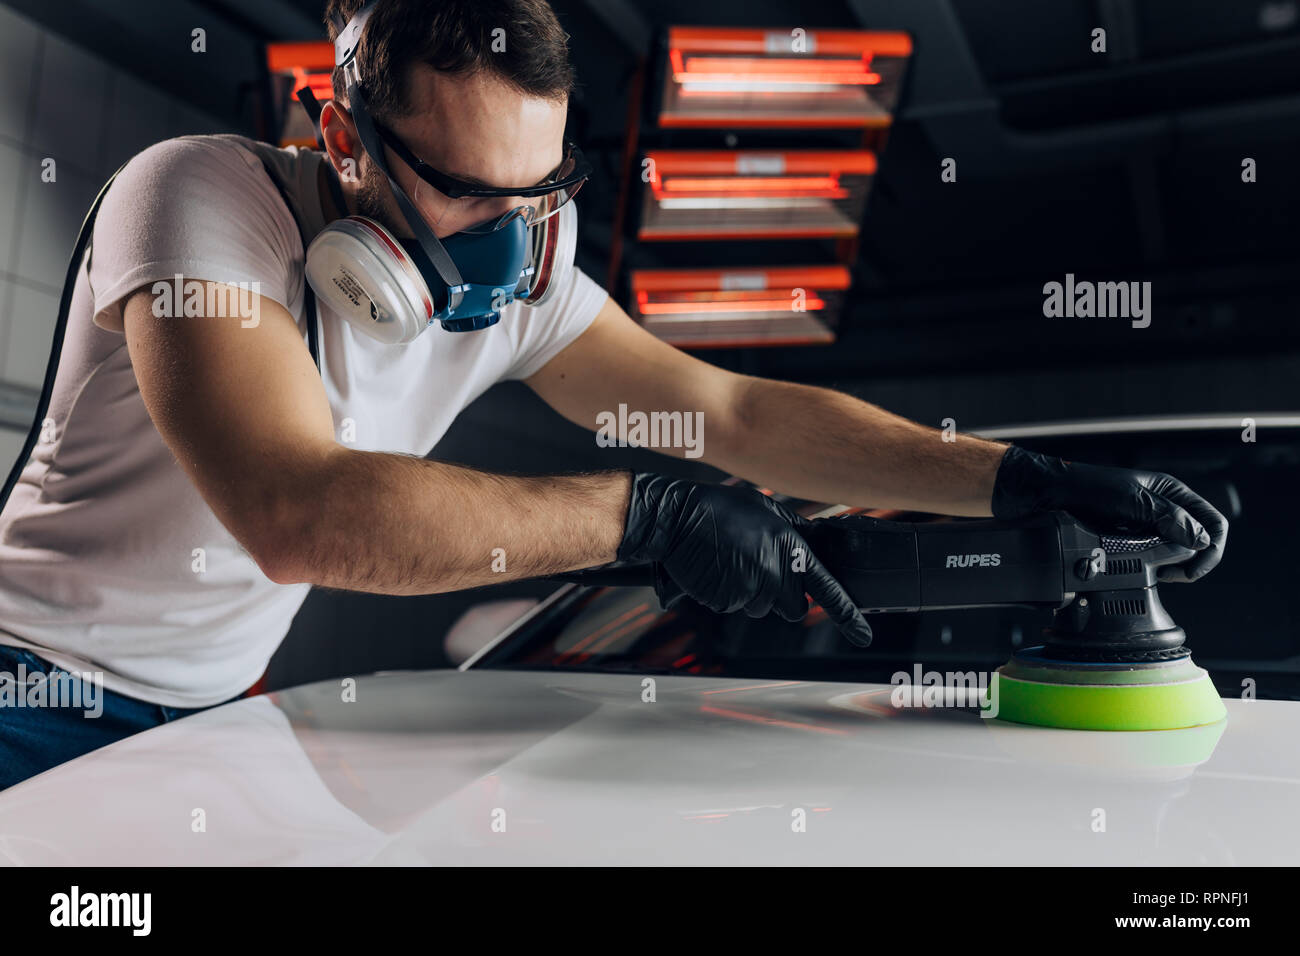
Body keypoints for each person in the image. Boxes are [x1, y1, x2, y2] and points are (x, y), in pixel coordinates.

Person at [0, 0, 1226, 790]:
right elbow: (294, 511)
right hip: (31, 687)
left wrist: (1011, 479)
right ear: (342, 139)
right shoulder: (199, 200)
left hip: (213, 706)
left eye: (541, 188)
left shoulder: (528, 255)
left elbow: (732, 415)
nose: (515, 236)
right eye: (469, 194)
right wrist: (651, 517)